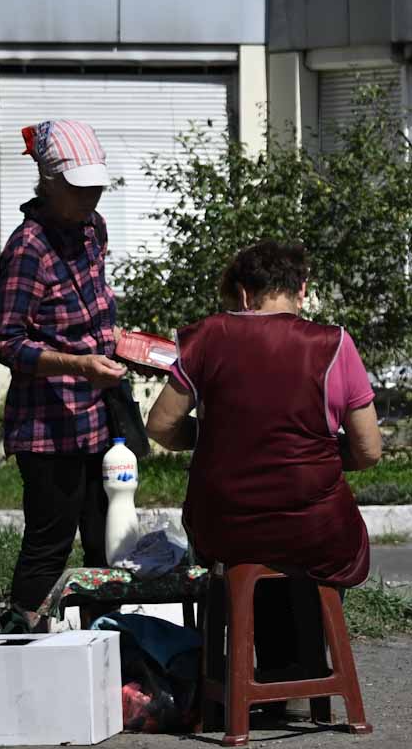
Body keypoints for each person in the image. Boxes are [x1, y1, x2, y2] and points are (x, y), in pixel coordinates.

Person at [146, 241, 382, 675]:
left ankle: (234, 676)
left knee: (245, 551)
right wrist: (316, 453)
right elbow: (369, 450)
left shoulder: (207, 337)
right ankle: (303, 667)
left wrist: (207, 435)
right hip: (314, 529)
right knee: (313, 542)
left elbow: (160, 426)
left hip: (225, 528)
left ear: (242, 293)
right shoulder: (334, 345)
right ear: (302, 289)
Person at [0, 119, 127, 631]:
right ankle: (22, 643)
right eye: (78, 186)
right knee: (50, 541)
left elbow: (93, 313)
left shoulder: (94, 229)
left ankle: (105, 652)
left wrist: (122, 344)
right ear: (48, 183)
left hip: (98, 418)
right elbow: (6, 342)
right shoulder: (28, 247)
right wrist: (78, 364)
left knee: (106, 539)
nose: (89, 194)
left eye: (95, 184)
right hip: (47, 428)